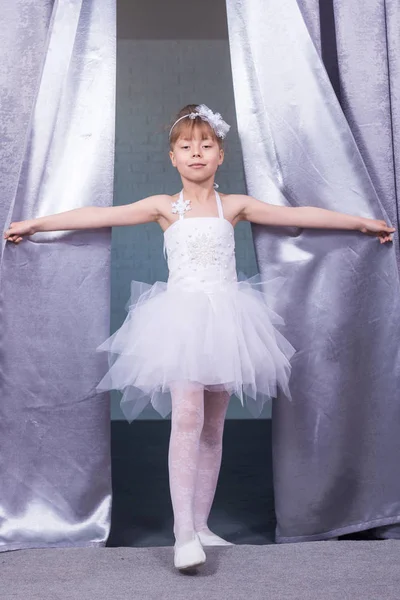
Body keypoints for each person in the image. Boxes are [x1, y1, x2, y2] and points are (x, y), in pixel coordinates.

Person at [4, 104, 395, 571]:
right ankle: (183, 533)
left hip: (228, 320)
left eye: (206, 144)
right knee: (187, 418)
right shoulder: (164, 207)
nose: (196, 152)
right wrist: (35, 223)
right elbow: (98, 214)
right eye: (186, 146)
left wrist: (361, 222)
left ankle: (204, 523)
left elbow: (298, 213)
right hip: (182, 322)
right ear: (172, 157)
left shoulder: (235, 206)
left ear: (220, 154)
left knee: (213, 427)